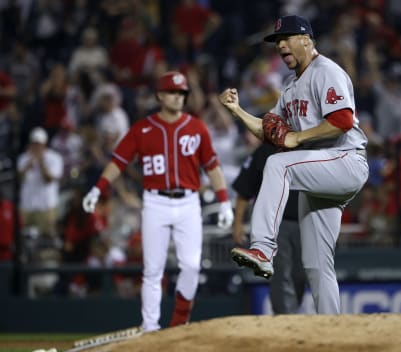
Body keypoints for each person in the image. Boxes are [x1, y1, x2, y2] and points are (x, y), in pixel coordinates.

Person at [219, 15, 369, 314]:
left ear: (307, 40)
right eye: (277, 41)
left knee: (278, 165)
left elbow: (341, 121)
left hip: (346, 160)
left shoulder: (326, 71)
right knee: (315, 265)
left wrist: (298, 138)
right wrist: (237, 111)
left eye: (287, 38)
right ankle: (334, 331)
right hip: (319, 174)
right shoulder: (290, 87)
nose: (281, 45)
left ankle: (262, 248)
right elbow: (269, 131)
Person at [82, 71, 234, 331]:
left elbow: (213, 167)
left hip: (188, 202)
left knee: (191, 266)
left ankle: (178, 322)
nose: (177, 97)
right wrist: (98, 188)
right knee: (153, 269)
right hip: (155, 203)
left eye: (181, 93)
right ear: (160, 95)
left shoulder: (197, 127)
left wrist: (223, 201)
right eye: (172, 92)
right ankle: (150, 327)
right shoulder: (142, 128)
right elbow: (118, 161)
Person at [232, 142, 306, 314]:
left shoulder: (312, 147)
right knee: (281, 273)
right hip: (274, 223)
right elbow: (245, 188)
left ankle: (292, 314)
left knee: (300, 274)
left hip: (306, 222)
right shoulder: (266, 150)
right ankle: (285, 317)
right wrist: (237, 223)